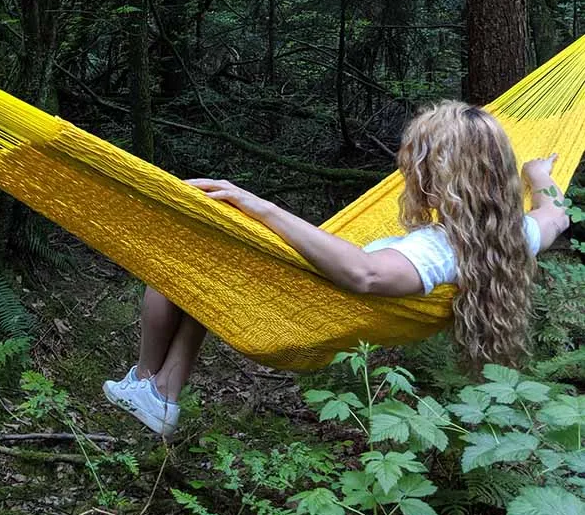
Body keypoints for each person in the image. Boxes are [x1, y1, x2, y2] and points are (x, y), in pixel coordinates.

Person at [102, 101, 570, 437]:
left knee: (171, 263)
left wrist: (259, 206)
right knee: (209, 280)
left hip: (299, 316)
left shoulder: (437, 249)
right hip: (309, 304)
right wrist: (542, 178)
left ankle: (144, 376)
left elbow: (365, 274)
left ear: (439, 178)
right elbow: (556, 216)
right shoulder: (512, 236)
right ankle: (161, 394)